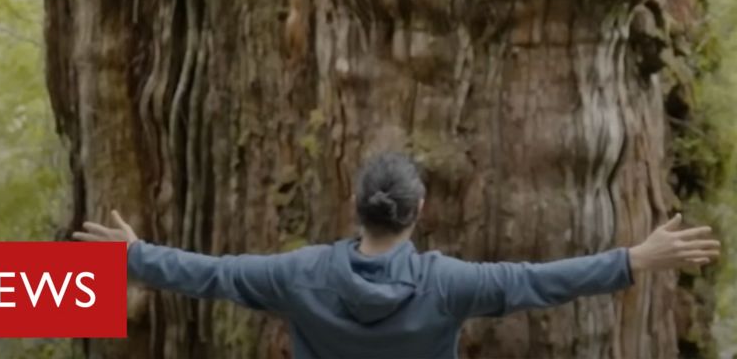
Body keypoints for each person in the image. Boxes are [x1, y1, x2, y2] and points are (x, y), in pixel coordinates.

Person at [73, 152, 720, 359]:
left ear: (354, 205)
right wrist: (637, 258)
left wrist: (135, 257)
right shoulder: (450, 285)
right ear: (421, 211)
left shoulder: (298, 275)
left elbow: (209, 276)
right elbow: (539, 282)